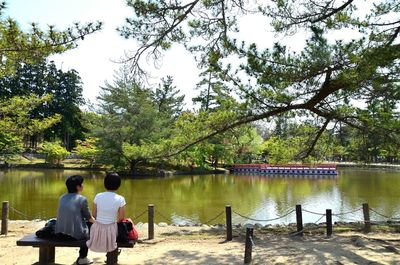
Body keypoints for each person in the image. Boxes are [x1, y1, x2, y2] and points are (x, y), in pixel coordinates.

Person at [55, 175, 95, 265]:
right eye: (82, 184)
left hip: (59, 234)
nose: (83, 185)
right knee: (91, 226)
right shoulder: (82, 199)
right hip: (73, 236)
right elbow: (89, 218)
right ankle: (83, 257)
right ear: (78, 187)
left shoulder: (62, 198)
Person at [86, 172, 126, 259]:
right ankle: (112, 256)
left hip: (97, 229)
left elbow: (94, 215)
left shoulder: (98, 196)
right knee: (122, 224)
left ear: (105, 184)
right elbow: (121, 218)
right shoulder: (120, 198)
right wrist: (113, 222)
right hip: (111, 230)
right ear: (118, 185)